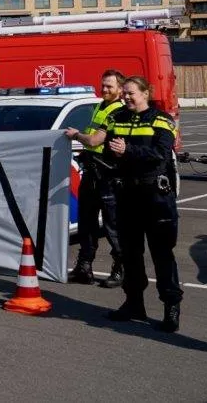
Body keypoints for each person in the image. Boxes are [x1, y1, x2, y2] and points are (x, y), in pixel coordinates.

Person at [102, 76, 181, 332]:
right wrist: (113, 153)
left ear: (146, 93)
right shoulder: (117, 118)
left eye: (131, 93)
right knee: (130, 254)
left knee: (162, 253)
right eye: (124, 93)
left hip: (155, 195)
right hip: (127, 194)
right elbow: (108, 151)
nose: (126, 97)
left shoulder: (161, 119)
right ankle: (134, 303)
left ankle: (171, 306)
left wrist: (128, 151)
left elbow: (161, 154)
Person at [65, 69, 127, 287]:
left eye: (110, 86)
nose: (105, 89)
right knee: (87, 223)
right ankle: (84, 267)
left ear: (120, 89)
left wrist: (75, 135)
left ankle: (120, 269)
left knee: (112, 226)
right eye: (103, 85)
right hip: (92, 173)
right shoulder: (101, 106)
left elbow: (93, 141)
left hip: (109, 176)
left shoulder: (118, 111)